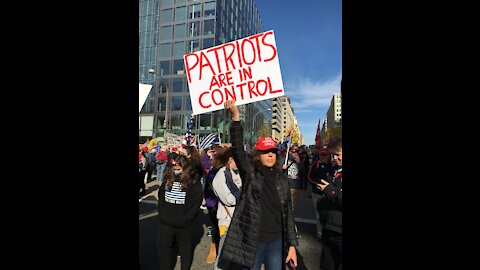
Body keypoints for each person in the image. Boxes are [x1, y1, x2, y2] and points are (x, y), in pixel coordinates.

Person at [218, 100, 298, 270]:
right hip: (253, 241)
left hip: (276, 242)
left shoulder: (282, 179)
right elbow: (238, 149)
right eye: (265, 152)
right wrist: (236, 116)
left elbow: (288, 213)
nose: (270, 155)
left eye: (273, 152)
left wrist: (292, 245)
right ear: (257, 155)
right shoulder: (250, 174)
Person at [156, 155, 203, 270]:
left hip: (184, 224)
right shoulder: (168, 179)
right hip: (166, 222)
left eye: (178, 168)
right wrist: (162, 213)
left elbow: (196, 202)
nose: (175, 170)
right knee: (162, 247)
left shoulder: (193, 181)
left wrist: (187, 219)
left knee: (185, 249)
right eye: (174, 168)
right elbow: (161, 196)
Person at [211, 148, 242, 270]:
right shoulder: (220, 175)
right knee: (224, 258)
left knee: (237, 258)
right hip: (227, 220)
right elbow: (229, 199)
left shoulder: (237, 172)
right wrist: (244, 194)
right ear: (230, 160)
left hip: (240, 219)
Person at [317, 139, 342, 270]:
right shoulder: (333, 171)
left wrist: (332, 192)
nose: (335, 158)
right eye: (333, 155)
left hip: (340, 232)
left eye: (338, 154)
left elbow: (332, 193)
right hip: (328, 227)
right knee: (326, 265)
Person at [307, 147, 333, 239]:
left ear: (328, 155)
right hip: (317, 194)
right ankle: (319, 234)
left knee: (328, 214)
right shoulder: (315, 164)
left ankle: (328, 232)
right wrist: (315, 184)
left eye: (325, 155)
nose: (323, 157)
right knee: (319, 215)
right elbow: (309, 176)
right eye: (321, 155)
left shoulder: (332, 165)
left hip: (329, 195)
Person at [282, 145, 306, 211]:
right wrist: (283, 168)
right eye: (293, 152)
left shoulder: (298, 161)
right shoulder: (285, 159)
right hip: (285, 185)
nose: (295, 154)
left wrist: (299, 163)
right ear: (289, 152)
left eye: (297, 152)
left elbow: (304, 173)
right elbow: (278, 171)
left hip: (294, 186)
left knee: (291, 207)